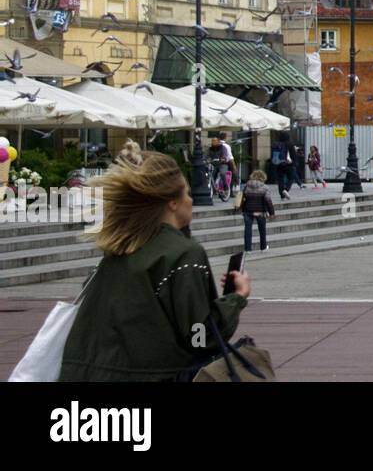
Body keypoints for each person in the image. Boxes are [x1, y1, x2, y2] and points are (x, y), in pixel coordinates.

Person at [59, 148, 250, 381]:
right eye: (188, 194)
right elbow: (199, 336)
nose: (191, 201)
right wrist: (236, 297)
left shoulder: (121, 247)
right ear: (172, 203)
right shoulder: (184, 254)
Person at [240, 168, 275, 253]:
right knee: (262, 229)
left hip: (248, 211)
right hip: (260, 211)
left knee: (248, 230)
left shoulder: (247, 186)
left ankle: (248, 249)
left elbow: (243, 199)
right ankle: (263, 247)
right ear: (263, 177)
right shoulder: (265, 188)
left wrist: (243, 210)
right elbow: (268, 201)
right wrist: (272, 213)